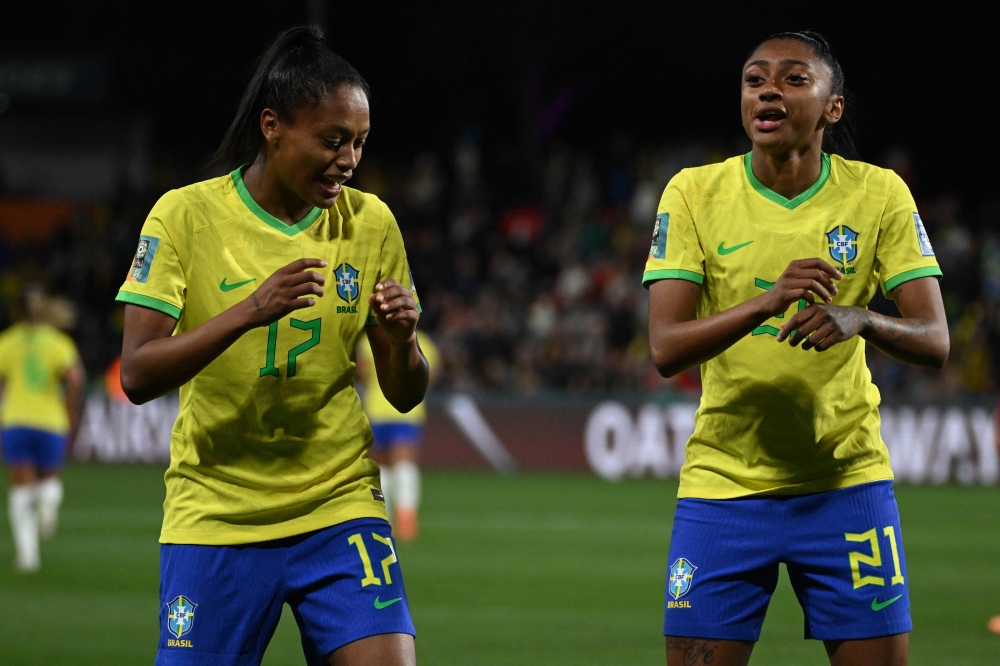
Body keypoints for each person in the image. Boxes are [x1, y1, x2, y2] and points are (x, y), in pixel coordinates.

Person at [117, 26, 427, 666]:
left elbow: (402, 393)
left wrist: (401, 344)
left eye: (360, 143)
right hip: (218, 513)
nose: (348, 159)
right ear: (272, 126)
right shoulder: (184, 217)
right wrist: (249, 311)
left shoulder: (371, 223)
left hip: (338, 503)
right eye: (333, 140)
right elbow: (138, 374)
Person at [643, 31, 949, 666]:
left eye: (792, 79)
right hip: (723, 490)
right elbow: (665, 348)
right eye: (755, 80)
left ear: (832, 108)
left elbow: (935, 340)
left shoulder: (880, 194)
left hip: (847, 485)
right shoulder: (694, 193)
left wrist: (862, 317)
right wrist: (766, 300)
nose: (768, 91)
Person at [0, 284, 86, 572]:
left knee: (20, 491)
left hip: (16, 421)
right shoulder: (58, 342)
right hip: (50, 422)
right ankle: (48, 503)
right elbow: (75, 379)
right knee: (49, 481)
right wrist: (70, 410)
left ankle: (28, 557)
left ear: (16, 312)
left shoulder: (7, 342)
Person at [357, 331, 440, 541]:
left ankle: (385, 517)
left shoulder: (368, 340)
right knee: (404, 463)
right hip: (408, 409)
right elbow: (431, 376)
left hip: (376, 409)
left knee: (381, 466)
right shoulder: (420, 339)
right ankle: (407, 518)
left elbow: (360, 372)